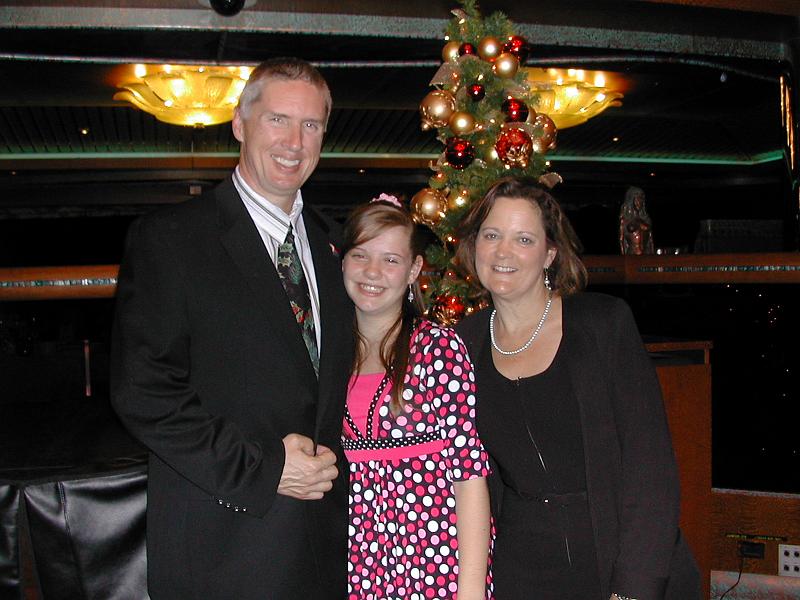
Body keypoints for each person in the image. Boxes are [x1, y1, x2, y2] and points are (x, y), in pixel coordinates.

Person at [110, 58, 354, 599]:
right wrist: (263, 470)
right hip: (224, 549)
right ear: (240, 124)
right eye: (277, 120)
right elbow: (144, 393)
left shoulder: (338, 246)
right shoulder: (172, 240)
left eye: (311, 125)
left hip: (328, 552)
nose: (294, 140)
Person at [454, 178, 700, 600]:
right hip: (518, 570)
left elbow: (651, 471)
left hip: (615, 561)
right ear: (475, 245)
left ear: (550, 253)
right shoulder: (463, 341)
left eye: (524, 239)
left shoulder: (604, 324)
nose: (503, 252)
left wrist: (633, 590)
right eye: (492, 235)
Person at [340, 194, 493, 599]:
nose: (373, 271)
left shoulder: (438, 349)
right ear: (342, 260)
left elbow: (469, 475)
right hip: (353, 560)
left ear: (414, 269)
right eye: (361, 255)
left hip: (431, 560)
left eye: (391, 259)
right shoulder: (326, 355)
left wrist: (472, 589)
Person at [619, 186, 655, 255]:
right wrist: (623, 258)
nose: (639, 202)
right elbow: (621, 240)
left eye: (641, 199)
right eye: (637, 199)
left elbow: (650, 240)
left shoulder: (646, 219)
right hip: (631, 254)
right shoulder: (625, 219)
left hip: (645, 254)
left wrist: (652, 257)